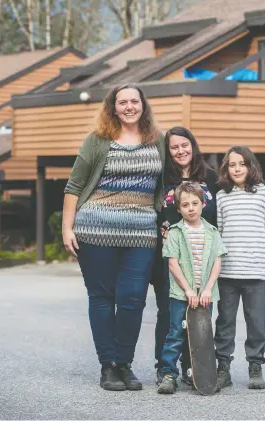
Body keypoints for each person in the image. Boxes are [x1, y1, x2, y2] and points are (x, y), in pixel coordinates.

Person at [62, 83, 165, 391]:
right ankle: (108, 366)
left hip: (142, 234)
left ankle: (125, 364)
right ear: (113, 107)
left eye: (135, 101)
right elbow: (74, 186)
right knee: (102, 298)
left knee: (133, 300)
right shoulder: (97, 140)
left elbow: (171, 179)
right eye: (123, 102)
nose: (129, 106)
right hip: (95, 230)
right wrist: (67, 228)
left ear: (143, 106)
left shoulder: (157, 140)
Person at [152, 126, 219, 385]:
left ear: (193, 145)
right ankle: (164, 368)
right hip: (170, 259)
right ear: (168, 151)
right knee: (169, 314)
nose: (181, 151)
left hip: (201, 256)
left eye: (185, 145)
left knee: (198, 314)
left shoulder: (211, 177)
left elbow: (218, 218)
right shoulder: (161, 179)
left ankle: (194, 370)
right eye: (174, 147)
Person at [214, 145, 265, 390]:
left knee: (256, 323)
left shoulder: (264, 194)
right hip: (228, 273)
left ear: (251, 166)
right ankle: (223, 367)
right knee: (224, 323)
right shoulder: (222, 196)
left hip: (255, 272)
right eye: (232, 165)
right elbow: (218, 234)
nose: (237, 169)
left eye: (241, 164)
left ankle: (255, 365)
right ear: (226, 169)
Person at [157, 182, 227, 394]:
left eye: (195, 203)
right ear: (178, 209)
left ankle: (199, 374)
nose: (191, 208)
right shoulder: (176, 232)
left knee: (203, 336)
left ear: (203, 204)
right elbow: (172, 263)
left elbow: (217, 262)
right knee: (176, 333)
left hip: (205, 294)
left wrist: (206, 289)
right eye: (185, 205)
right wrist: (188, 290)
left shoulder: (212, 232)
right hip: (181, 294)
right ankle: (169, 374)